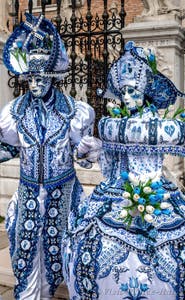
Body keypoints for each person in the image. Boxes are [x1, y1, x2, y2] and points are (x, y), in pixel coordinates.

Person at [62, 41, 185, 299]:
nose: (126, 98)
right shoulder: (118, 123)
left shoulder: (157, 124)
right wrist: (97, 151)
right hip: (119, 192)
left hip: (154, 192)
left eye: (132, 92)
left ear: (145, 91)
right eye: (123, 92)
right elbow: (113, 166)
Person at [1, 13, 100, 300]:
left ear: (53, 76)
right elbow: (9, 148)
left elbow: (81, 157)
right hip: (28, 194)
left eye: (41, 77)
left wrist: (85, 152)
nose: (35, 84)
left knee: (65, 256)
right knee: (26, 256)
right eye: (30, 77)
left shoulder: (74, 111)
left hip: (64, 195)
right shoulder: (14, 112)